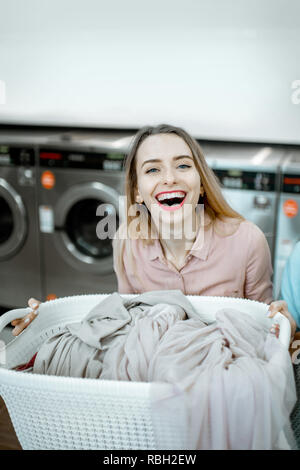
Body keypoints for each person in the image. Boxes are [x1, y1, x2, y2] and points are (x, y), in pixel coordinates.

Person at [11, 124, 296, 338]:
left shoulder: (247, 241)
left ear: (201, 181)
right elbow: (125, 321)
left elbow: (264, 326)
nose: (170, 178)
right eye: (153, 170)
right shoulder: (125, 242)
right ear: (137, 192)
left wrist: (285, 324)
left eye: (183, 165)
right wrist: (47, 323)